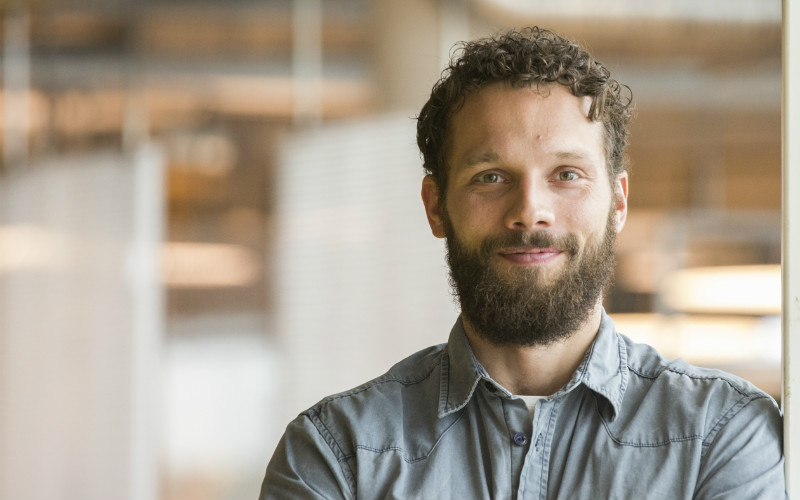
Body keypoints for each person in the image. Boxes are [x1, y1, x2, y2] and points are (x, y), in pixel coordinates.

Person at [260, 27, 786, 499]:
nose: (530, 210)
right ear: (436, 204)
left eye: (567, 174)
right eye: (490, 176)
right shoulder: (336, 455)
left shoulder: (724, 435)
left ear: (618, 203)